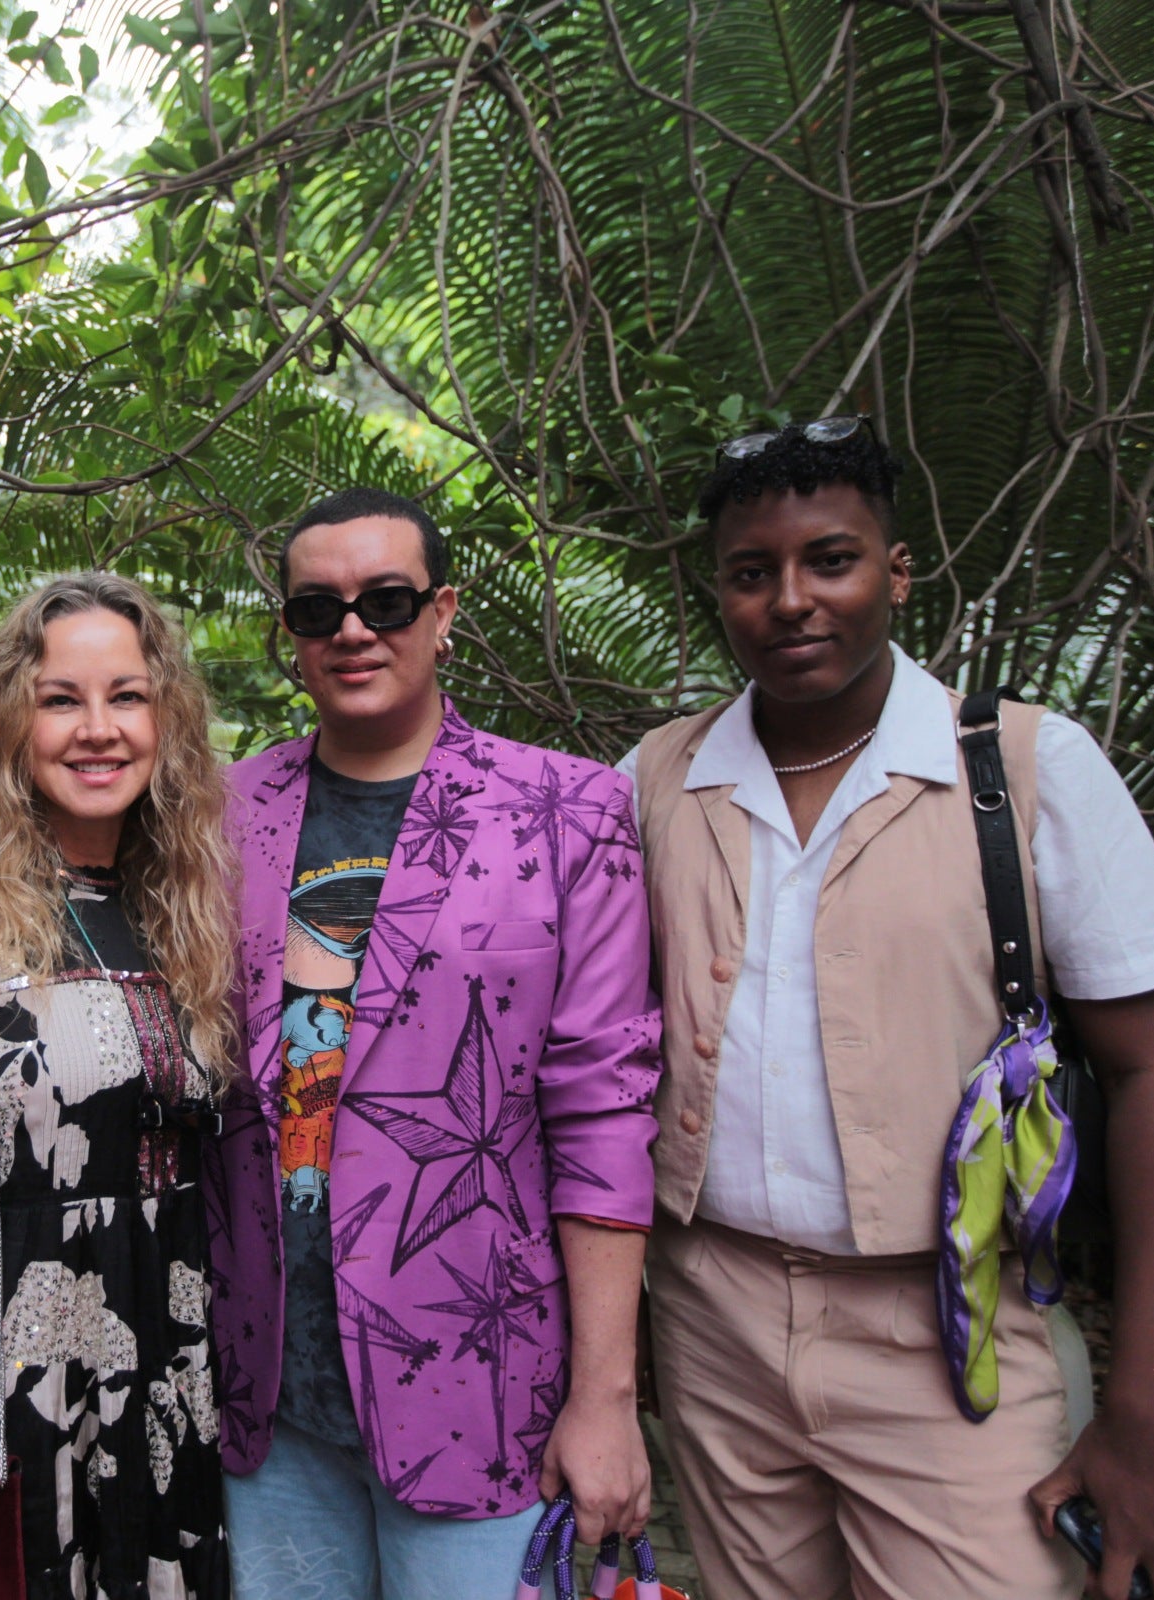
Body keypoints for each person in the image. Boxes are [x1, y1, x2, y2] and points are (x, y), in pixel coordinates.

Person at [624, 417, 1154, 1600]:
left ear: (897, 573)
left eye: (830, 560)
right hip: (715, 1320)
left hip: (956, 1328)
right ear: (719, 594)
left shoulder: (1023, 771)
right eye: (753, 573)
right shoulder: (652, 782)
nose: (792, 599)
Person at [206, 488, 663, 1597]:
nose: (353, 629)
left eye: (388, 600)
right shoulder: (222, 810)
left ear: (444, 610)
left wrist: (604, 1397)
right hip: (267, 1396)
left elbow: (605, 1109)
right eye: (319, 609)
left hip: (479, 1384)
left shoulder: (567, 807)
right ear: (292, 636)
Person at [0, 572, 238, 1600]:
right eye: (62, 698)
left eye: (128, 695)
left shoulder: (180, 916)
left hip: (170, 1398)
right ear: (13, 721)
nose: (97, 728)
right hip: (24, 1408)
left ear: (168, 720)